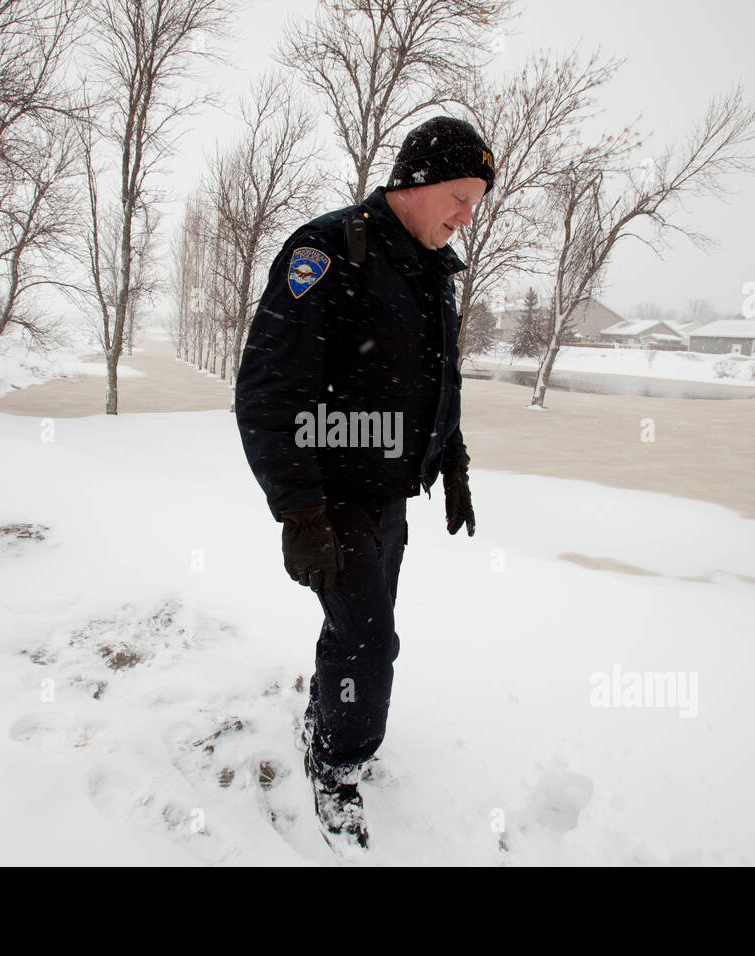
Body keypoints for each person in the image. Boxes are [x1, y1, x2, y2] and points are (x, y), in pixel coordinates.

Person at [235, 116, 493, 851]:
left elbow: (432, 381)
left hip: (387, 496)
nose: (465, 215)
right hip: (335, 494)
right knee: (370, 641)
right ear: (414, 181)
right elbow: (266, 390)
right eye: (458, 195)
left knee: (357, 630)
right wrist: (300, 511)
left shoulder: (430, 269)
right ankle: (337, 766)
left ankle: (327, 717)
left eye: (475, 202)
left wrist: (453, 461)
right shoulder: (331, 249)